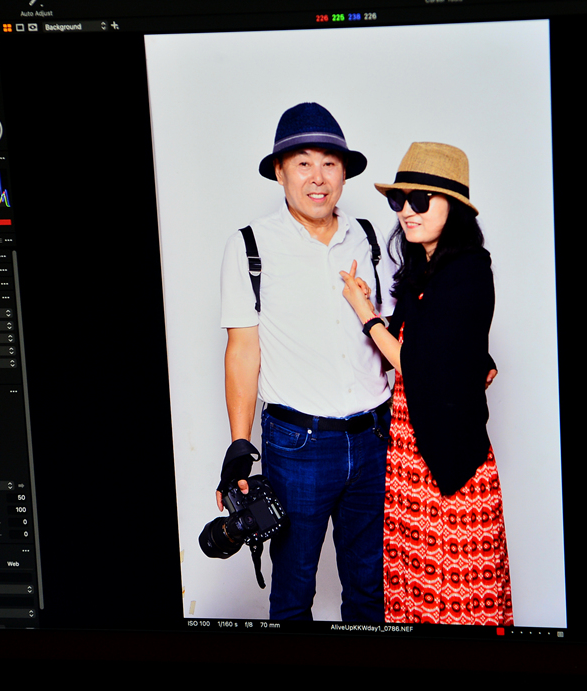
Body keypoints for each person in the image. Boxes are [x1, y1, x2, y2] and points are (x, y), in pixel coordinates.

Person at [217, 102, 397, 622]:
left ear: (344, 173)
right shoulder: (250, 246)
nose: (318, 177)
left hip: (375, 439)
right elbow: (242, 350)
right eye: (303, 163)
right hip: (298, 445)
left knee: (371, 589)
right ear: (280, 172)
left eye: (329, 164)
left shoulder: (369, 237)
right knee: (294, 592)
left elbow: (393, 326)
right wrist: (239, 444)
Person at [338, 142, 513, 626]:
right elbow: (413, 342)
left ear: (453, 208)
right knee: (414, 594)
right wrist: (380, 311)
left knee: (460, 595)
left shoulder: (468, 270)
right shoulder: (424, 270)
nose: (406, 212)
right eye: (399, 201)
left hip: (445, 460)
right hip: (409, 459)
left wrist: (364, 313)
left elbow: (414, 364)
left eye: (420, 200)